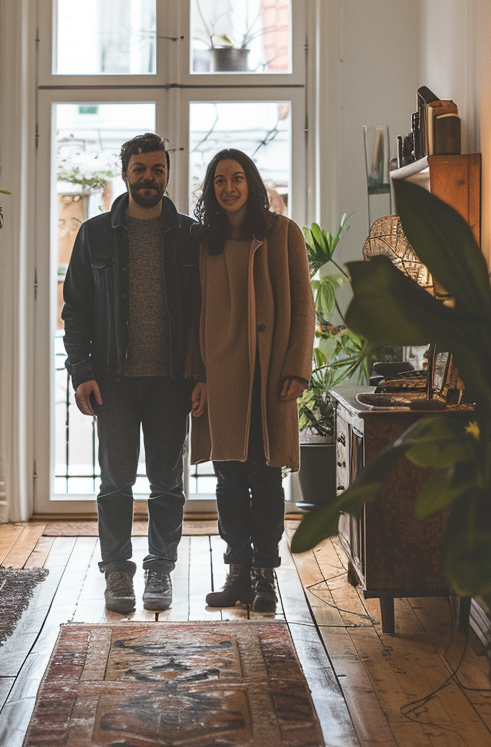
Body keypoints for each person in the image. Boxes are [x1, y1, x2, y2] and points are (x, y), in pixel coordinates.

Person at [62, 133, 199, 613]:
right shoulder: (95, 233)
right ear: (124, 173)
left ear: (166, 174)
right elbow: (75, 310)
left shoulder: (189, 234)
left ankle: (160, 568)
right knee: (115, 483)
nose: (148, 178)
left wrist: (199, 375)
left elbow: (204, 312)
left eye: (157, 170)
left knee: (167, 484)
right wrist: (81, 373)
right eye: (139, 169)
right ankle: (117, 572)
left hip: (170, 382)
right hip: (113, 382)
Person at [189, 149, 315, 613]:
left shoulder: (284, 234)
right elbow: (194, 315)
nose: (229, 188)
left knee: (265, 478)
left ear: (252, 183)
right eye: (220, 180)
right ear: (211, 189)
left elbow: (304, 306)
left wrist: (297, 368)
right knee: (228, 480)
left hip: (269, 378)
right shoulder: (206, 244)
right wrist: (197, 377)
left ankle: (265, 577)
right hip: (221, 378)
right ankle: (237, 573)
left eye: (237, 178)